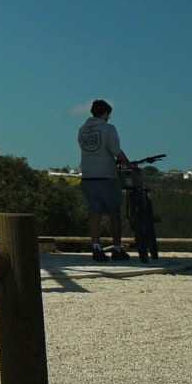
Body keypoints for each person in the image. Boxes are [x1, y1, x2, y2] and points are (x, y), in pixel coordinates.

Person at [77, 99, 132, 262]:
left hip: (87, 176)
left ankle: (96, 247)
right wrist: (129, 164)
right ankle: (116, 247)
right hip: (107, 176)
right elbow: (115, 150)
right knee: (114, 214)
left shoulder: (82, 130)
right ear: (106, 114)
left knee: (94, 214)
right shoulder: (108, 128)